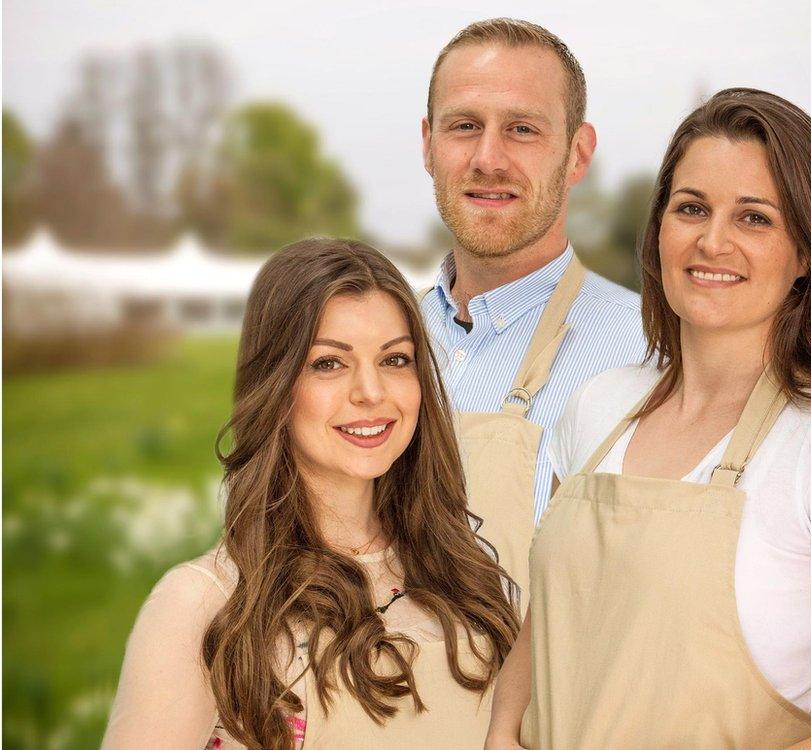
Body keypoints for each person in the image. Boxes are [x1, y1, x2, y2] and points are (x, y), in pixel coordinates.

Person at [487, 89, 811, 749]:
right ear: (660, 230)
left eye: (754, 218)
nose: (712, 240)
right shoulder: (598, 406)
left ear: (806, 253)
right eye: (691, 208)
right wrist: (502, 734)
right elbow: (547, 629)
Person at [102, 239, 520, 749]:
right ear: (276, 383)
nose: (371, 392)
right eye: (329, 364)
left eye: (394, 359)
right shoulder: (205, 604)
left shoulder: (467, 575)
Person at [419, 18, 646, 601]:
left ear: (577, 154)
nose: (488, 158)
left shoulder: (648, 353)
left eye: (522, 129)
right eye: (464, 126)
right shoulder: (377, 342)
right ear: (427, 144)